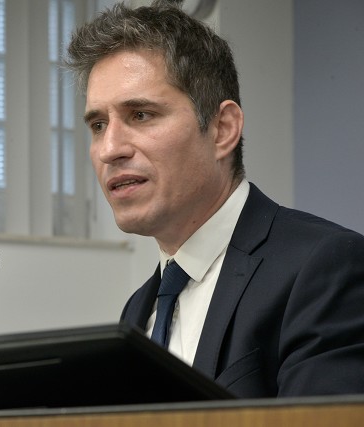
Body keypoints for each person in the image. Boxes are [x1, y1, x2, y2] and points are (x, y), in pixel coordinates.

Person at [65, 1, 364, 398]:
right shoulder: (138, 309)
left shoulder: (324, 267)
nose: (109, 149)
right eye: (99, 124)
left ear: (223, 129)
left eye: (140, 115)